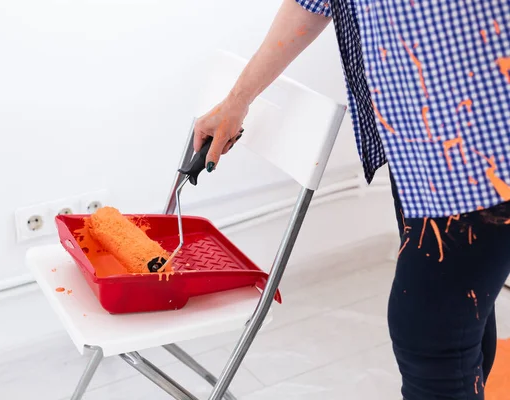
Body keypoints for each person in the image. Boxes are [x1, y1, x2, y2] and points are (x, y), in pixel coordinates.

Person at [193, 0, 510, 399]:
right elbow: (311, 3)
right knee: (459, 319)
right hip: (419, 148)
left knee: (430, 335)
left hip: (488, 146)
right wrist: (237, 100)